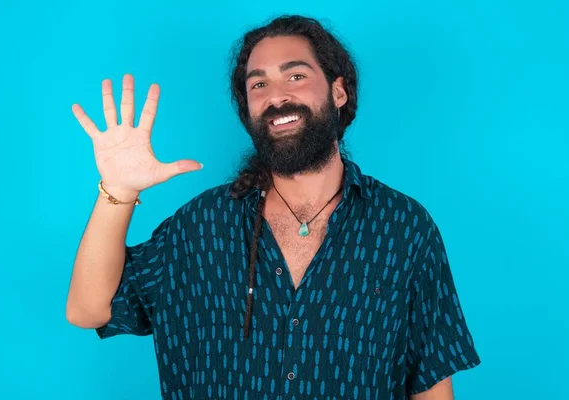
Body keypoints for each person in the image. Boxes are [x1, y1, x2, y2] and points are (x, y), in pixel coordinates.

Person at [66, 14, 480, 400]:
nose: (276, 96)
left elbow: (431, 384)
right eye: (258, 84)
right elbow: (88, 309)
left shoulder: (404, 228)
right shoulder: (200, 226)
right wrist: (116, 190)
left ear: (338, 91)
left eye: (296, 76)